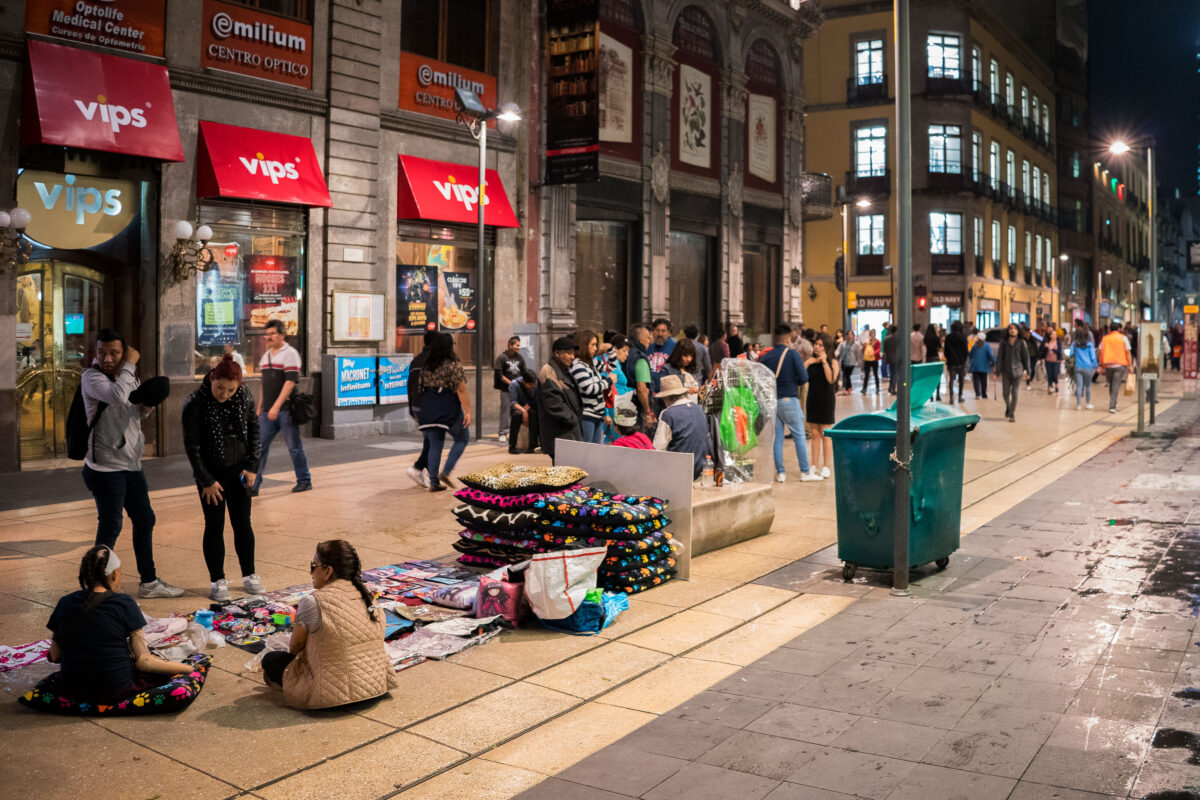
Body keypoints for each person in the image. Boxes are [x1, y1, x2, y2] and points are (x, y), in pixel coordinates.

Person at [81, 329, 183, 599]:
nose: (108, 358)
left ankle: (148, 582)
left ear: (121, 352)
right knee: (111, 525)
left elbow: (133, 411)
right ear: (95, 352)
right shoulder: (91, 377)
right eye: (102, 352)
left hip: (131, 465)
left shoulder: (127, 376)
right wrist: (130, 364)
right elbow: (115, 396)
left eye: (115, 352)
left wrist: (147, 403)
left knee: (145, 518)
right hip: (104, 468)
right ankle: (96, 586)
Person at [44, 545, 198, 704]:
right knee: (156, 672)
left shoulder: (65, 602)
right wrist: (189, 669)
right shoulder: (123, 603)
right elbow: (144, 661)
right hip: (115, 691)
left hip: (71, 690)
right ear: (114, 575)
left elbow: (55, 656)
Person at [262, 540, 397, 708]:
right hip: (376, 687)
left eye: (313, 566)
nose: (311, 572)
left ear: (328, 571)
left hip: (331, 696)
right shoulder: (367, 595)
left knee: (272, 660)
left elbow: (295, 647)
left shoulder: (313, 601)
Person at [182, 355, 263, 602]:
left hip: (239, 472)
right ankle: (218, 579)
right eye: (220, 388)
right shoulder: (196, 402)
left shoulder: (244, 396)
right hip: (211, 476)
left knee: (243, 523)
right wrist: (205, 479)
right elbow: (192, 446)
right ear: (211, 378)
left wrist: (252, 467)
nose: (224, 394)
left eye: (230, 389)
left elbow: (255, 433)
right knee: (214, 526)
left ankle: (249, 574)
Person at [251, 319, 310, 495]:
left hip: (285, 410)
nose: (268, 337)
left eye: (272, 334)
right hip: (267, 411)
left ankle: (304, 480)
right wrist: (260, 407)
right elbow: (264, 385)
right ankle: (254, 485)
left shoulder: (290, 354)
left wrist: (276, 406)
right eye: (267, 334)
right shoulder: (266, 356)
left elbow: (290, 382)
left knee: (294, 446)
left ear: (282, 334)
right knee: (259, 448)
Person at [758, 324, 822, 483]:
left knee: (777, 438)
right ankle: (805, 472)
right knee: (799, 435)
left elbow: (761, 380)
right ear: (788, 339)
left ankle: (780, 473)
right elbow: (804, 378)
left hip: (772, 402)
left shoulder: (765, 357)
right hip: (789, 400)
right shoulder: (792, 354)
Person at [416, 333, 471, 492]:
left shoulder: (426, 366)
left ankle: (434, 482)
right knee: (462, 438)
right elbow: (460, 388)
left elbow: (419, 387)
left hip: (428, 407)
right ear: (449, 347)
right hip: (447, 408)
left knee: (435, 444)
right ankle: (446, 472)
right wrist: (468, 411)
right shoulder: (453, 365)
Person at [652, 375, 710, 479]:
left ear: (666, 397)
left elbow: (658, 449)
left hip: (678, 473)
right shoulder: (698, 409)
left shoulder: (667, 414)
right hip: (700, 469)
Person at [537, 336, 584, 461]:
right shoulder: (548, 371)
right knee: (563, 474)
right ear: (557, 353)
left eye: (573, 354)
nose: (572, 357)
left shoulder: (564, 370)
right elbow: (554, 405)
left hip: (568, 433)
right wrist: (573, 420)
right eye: (568, 353)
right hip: (560, 434)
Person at [804, 334, 839, 479]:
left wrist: (824, 362)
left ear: (827, 347)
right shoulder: (810, 361)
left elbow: (831, 379)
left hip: (826, 399)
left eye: (820, 345)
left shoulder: (833, 361)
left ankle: (826, 466)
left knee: (825, 434)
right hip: (812, 398)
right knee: (814, 434)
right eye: (816, 344)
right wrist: (808, 362)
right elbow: (801, 376)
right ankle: (813, 465)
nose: (817, 347)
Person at [405, 331, 437, 488]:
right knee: (433, 440)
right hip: (430, 406)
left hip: (417, 406)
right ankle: (419, 468)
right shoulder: (435, 361)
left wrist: (410, 406)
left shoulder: (416, 360)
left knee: (430, 439)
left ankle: (431, 476)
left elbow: (409, 385)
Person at [570, 329, 611, 445]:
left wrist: (610, 349)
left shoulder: (591, 363)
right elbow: (589, 389)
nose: (595, 348)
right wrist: (608, 381)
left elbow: (611, 367)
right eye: (592, 345)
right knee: (586, 452)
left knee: (595, 452)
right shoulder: (578, 365)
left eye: (596, 345)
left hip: (598, 415)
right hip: (587, 416)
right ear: (584, 345)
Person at [493, 337, 527, 446]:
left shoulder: (520, 358)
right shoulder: (502, 358)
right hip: (506, 389)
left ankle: (515, 432)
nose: (518, 347)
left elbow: (524, 372)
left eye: (519, 345)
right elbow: (499, 374)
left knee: (517, 411)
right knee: (505, 411)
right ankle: (503, 433)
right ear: (510, 345)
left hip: (518, 390)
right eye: (517, 345)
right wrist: (511, 383)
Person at [995, 323, 1031, 422]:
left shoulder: (1022, 342)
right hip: (1006, 371)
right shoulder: (1004, 342)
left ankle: (1011, 414)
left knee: (1014, 393)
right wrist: (997, 370)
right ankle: (1008, 406)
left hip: (1018, 372)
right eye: (1011, 328)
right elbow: (1000, 357)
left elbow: (1026, 358)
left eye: (1015, 328)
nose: (1013, 330)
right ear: (1008, 330)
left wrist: (1028, 371)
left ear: (1018, 331)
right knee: (1005, 393)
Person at [624, 324, 655, 428]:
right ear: (641, 339)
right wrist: (647, 412)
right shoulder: (640, 359)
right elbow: (642, 389)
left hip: (620, 405)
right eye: (648, 338)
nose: (650, 341)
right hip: (635, 408)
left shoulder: (623, 353)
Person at [1099, 322, 1132, 413]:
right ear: (1119, 329)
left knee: (1111, 385)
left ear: (1109, 329)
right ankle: (1112, 405)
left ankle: (1112, 403)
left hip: (1108, 365)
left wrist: (1101, 365)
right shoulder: (1123, 338)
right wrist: (1130, 365)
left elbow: (1100, 351)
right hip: (1120, 365)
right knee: (1115, 386)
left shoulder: (1105, 339)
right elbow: (1128, 352)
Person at [507, 370, 539, 454]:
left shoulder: (535, 384)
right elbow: (513, 402)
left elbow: (537, 399)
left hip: (530, 406)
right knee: (517, 415)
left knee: (534, 414)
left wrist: (529, 406)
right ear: (524, 382)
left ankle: (532, 446)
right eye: (530, 384)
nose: (533, 386)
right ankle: (512, 446)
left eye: (533, 384)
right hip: (519, 408)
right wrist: (523, 411)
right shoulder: (514, 384)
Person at [1071, 321, 1098, 410]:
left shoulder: (1075, 344)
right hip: (1088, 368)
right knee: (1088, 386)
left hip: (1078, 367)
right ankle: (1088, 403)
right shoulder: (1090, 345)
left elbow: (1071, 353)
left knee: (1079, 386)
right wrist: (1097, 367)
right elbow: (1093, 357)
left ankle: (1078, 405)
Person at [943, 321, 969, 403]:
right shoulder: (963, 337)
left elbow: (946, 351)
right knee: (961, 380)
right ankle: (960, 397)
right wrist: (964, 359)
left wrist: (948, 358)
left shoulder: (948, 337)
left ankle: (951, 398)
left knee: (951, 380)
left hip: (951, 363)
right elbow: (965, 351)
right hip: (961, 362)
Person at [968, 331, 995, 399]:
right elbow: (991, 355)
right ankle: (984, 394)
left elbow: (970, 355)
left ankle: (977, 394)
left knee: (976, 381)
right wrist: (994, 361)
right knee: (984, 381)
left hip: (975, 366)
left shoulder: (974, 345)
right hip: (984, 366)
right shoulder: (987, 345)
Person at [1040, 328, 1064, 395]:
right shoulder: (1047, 342)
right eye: (1052, 334)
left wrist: (1052, 349)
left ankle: (1056, 385)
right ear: (1050, 336)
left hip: (1056, 361)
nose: (1053, 335)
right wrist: (1045, 347)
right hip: (1048, 361)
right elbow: (1043, 351)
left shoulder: (1058, 342)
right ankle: (1049, 387)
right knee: (1049, 375)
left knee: (1055, 374)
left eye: (1055, 334)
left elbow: (1059, 352)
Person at [835, 330, 859, 395]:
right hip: (844, 362)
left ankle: (847, 388)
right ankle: (849, 388)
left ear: (853, 336)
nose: (849, 336)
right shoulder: (842, 344)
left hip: (852, 362)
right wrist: (834, 355)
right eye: (848, 334)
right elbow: (838, 351)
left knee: (847, 375)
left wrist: (858, 362)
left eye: (851, 334)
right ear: (846, 336)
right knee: (845, 375)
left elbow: (858, 354)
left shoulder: (856, 344)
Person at [924, 324, 943, 400]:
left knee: (929, 378)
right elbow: (940, 348)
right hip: (935, 358)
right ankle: (938, 395)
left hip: (928, 359)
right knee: (937, 377)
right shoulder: (936, 338)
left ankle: (931, 396)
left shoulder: (925, 338)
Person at [860, 328, 880, 393]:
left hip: (874, 360)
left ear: (875, 334)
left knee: (876, 374)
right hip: (867, 360)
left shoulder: (877, 341)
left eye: (872, 333)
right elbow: (863, 350)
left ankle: (877, 388)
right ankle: (864, 389)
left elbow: (878, 349)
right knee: (866, 375)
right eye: (870, 333)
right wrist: (864, 346)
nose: (871, 334)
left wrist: (873, 353)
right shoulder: (866, 341)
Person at [883, 325, 899, 394]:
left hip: (889, 358)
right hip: (896, 358)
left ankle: (890, 386)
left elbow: (885, 350)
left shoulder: (886, 339)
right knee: (894, 374)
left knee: (891, 373)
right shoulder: (898, 338)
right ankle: (892, 388)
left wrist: (885, 359)